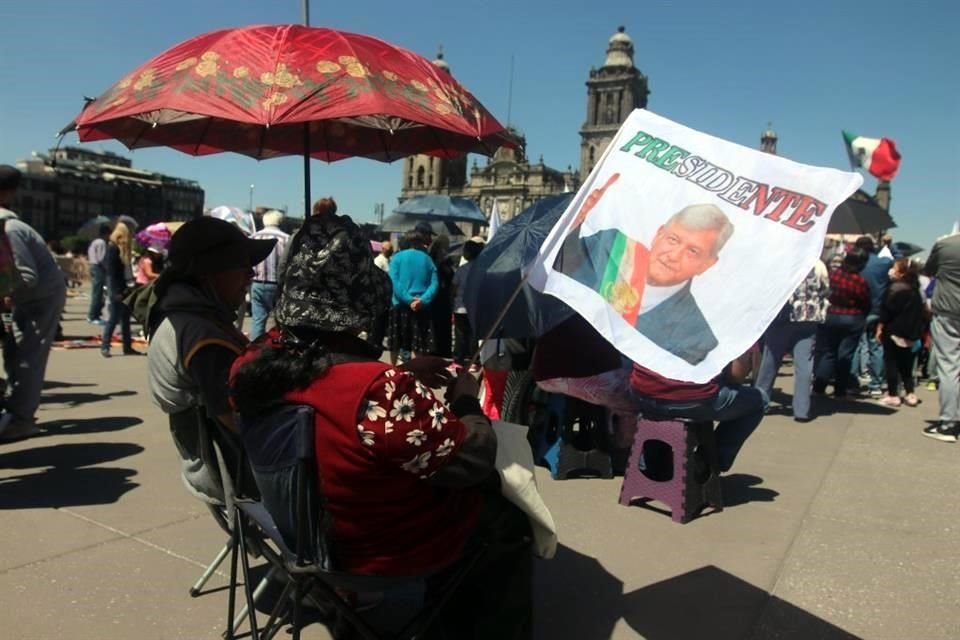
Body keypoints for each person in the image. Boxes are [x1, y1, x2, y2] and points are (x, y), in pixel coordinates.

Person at [228, 210, 533, 638]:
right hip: (376, 550)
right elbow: (470, 459)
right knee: (507, 517)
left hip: (299, 532)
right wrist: (465, 397)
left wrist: (406, 373)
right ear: (360, 299)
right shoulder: (375, 390)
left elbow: (324, 383)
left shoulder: (251, 361)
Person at [143, 217, 275, 502]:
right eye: (241, 265)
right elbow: (239, 423)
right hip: (240, 477)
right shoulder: (203, 337)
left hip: (215, 465)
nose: (251, 274)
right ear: (210, 273)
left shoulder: (189, 317)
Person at [559, 202, 733, 365]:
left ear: (707, 264)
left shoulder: (696, 337)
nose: (673, 256)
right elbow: (557, 268)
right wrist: (570, 227)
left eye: (692, 251)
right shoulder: (610, 246)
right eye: (673, 240)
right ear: (658, 235)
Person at [0, 165, 67, 440]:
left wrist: (5, 295)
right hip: (24, 299)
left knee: (29, 358)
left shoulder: (11, 229)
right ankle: (15, 408)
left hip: (41, 298)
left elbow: (27, 276)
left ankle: (22, 419)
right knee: (14, 354)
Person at [755, 260, 831, 422]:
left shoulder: (784, 260)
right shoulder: (818, 264)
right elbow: (825, 291)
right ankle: (802, 409)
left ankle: (761, 403)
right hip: (809, 317)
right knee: (804, 365)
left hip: (782, 317)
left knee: (770, 360)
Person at [813, 249, 870, 398]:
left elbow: (825, 292)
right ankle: (840, 391)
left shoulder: (834, 275)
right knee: (845, 356)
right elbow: (865, 300)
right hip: (853, 318)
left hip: (832, 316)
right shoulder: (860, 281)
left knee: (828, 353)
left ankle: (819, 388)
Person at [922, 231, 960, 442]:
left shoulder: (945, 244)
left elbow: (929, 270)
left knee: (949, 366)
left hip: (948, 311)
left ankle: (948, 423)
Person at [876, 259, 925, 408]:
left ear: (901, 273)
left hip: (893, 330)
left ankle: (893, 394)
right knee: (906, 365)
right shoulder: (915, 290)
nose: (891, 271)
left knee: (891, 362)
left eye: (894, 268)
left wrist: (879, 328)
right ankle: (910, 393)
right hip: (910, 333)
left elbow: (886, 311)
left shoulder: (894, 289)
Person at [388, 223, 438, 364]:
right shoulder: (428, 259)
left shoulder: (396, 258)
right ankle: (417, 378)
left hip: (400, 305)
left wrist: (409, 300)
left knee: (396, 344)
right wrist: (422, 300)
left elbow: (394, 282)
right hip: (422, 307)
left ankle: (394, 371)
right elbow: (434, 284)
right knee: (419, 344)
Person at [852, 236, 893, 396]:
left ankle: (852, 383)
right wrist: (888, 244)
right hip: (877, 310)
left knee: (855, 347)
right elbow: (895, 258)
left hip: (857, 309)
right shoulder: (882, 263)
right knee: (876, 347)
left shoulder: (855, 263)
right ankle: (876, 385)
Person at [249, 209, 290, 340]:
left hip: (257, 283)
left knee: (258, 321)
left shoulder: (254, 237)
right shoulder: (286, 239)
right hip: (278, 287)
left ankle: (255, 352)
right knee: (281, 323)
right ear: (280, 221)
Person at [101, 222, 139, 357]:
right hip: (116, 287)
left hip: (122, 286)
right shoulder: (112, 249)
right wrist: (116, 291)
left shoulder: (121, 249)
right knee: (114, 317)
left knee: (125, 318)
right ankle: (105, 346)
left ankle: (127, 347)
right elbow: (111, 272)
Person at [453, 239, 483, 366]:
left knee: (460, 334)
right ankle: (474, 360)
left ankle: (459, 359)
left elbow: (454, 286)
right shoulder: (482, 270)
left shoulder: (462, 269)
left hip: (460, 307)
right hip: (476, 307)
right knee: (473, 334)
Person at [428, 234, 455, 357]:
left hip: (444, 298)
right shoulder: (431, 263)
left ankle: (444, 349)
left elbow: (451, 282)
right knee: (435, 324)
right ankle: (435, 348)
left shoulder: (447, 264)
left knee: (444, 324)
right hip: (435, 298)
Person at [87, 224, 111, 324]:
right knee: (98, 293)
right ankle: (93, 316)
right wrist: (108, 269)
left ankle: (95, 314)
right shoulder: (101, 242)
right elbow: (101, 258)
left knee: (97, 292)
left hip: (93, 265)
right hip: (99, 267)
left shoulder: (95, 242)